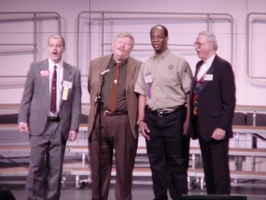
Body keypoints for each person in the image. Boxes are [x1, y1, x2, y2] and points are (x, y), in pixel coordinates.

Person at [18, 34, 82, 200]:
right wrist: (22, 119)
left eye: (58, 45)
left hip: (60, 127)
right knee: (36, 167)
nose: (55, 48)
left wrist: (74, 127)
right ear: (48, 48)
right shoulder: (35, 68)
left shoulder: (73, 72)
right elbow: (26, 96)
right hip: (39, 125)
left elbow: (76, 103)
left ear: (64, 49)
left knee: (56, 170)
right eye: (52, 45)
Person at [134, 24, 193, 200]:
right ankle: (160, 197)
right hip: (152, 119)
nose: (155, 40)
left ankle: (179, 197)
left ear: (167, 38)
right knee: (156, 164)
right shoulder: (146, 65)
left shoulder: (179, 62)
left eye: (159, 37)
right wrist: (141, 120)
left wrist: (188, 120)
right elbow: (142, 94)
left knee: (177, 162)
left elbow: (189, 93)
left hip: (175, 117)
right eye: (152, 37)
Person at [87, 32, 142, 200]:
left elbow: (143, 94)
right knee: (98, 169)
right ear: (113, 44)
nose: (122, 45)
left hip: (124, 120)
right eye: (119, 42)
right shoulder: (96, 64)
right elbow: (91, 87)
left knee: (124, 168)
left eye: (126, 43)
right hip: (99, 119)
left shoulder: (139, 66)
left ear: (131, 49)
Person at [189, 30, 236, 194]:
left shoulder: (222, 66)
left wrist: (222, 127)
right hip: (201, 127)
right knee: (209, 171)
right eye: (196, 44)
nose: (196, 47)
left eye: (199, 44)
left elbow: (229, 101)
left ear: (210, 45)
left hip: (216, 128)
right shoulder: (199, 66)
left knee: (219, 172)